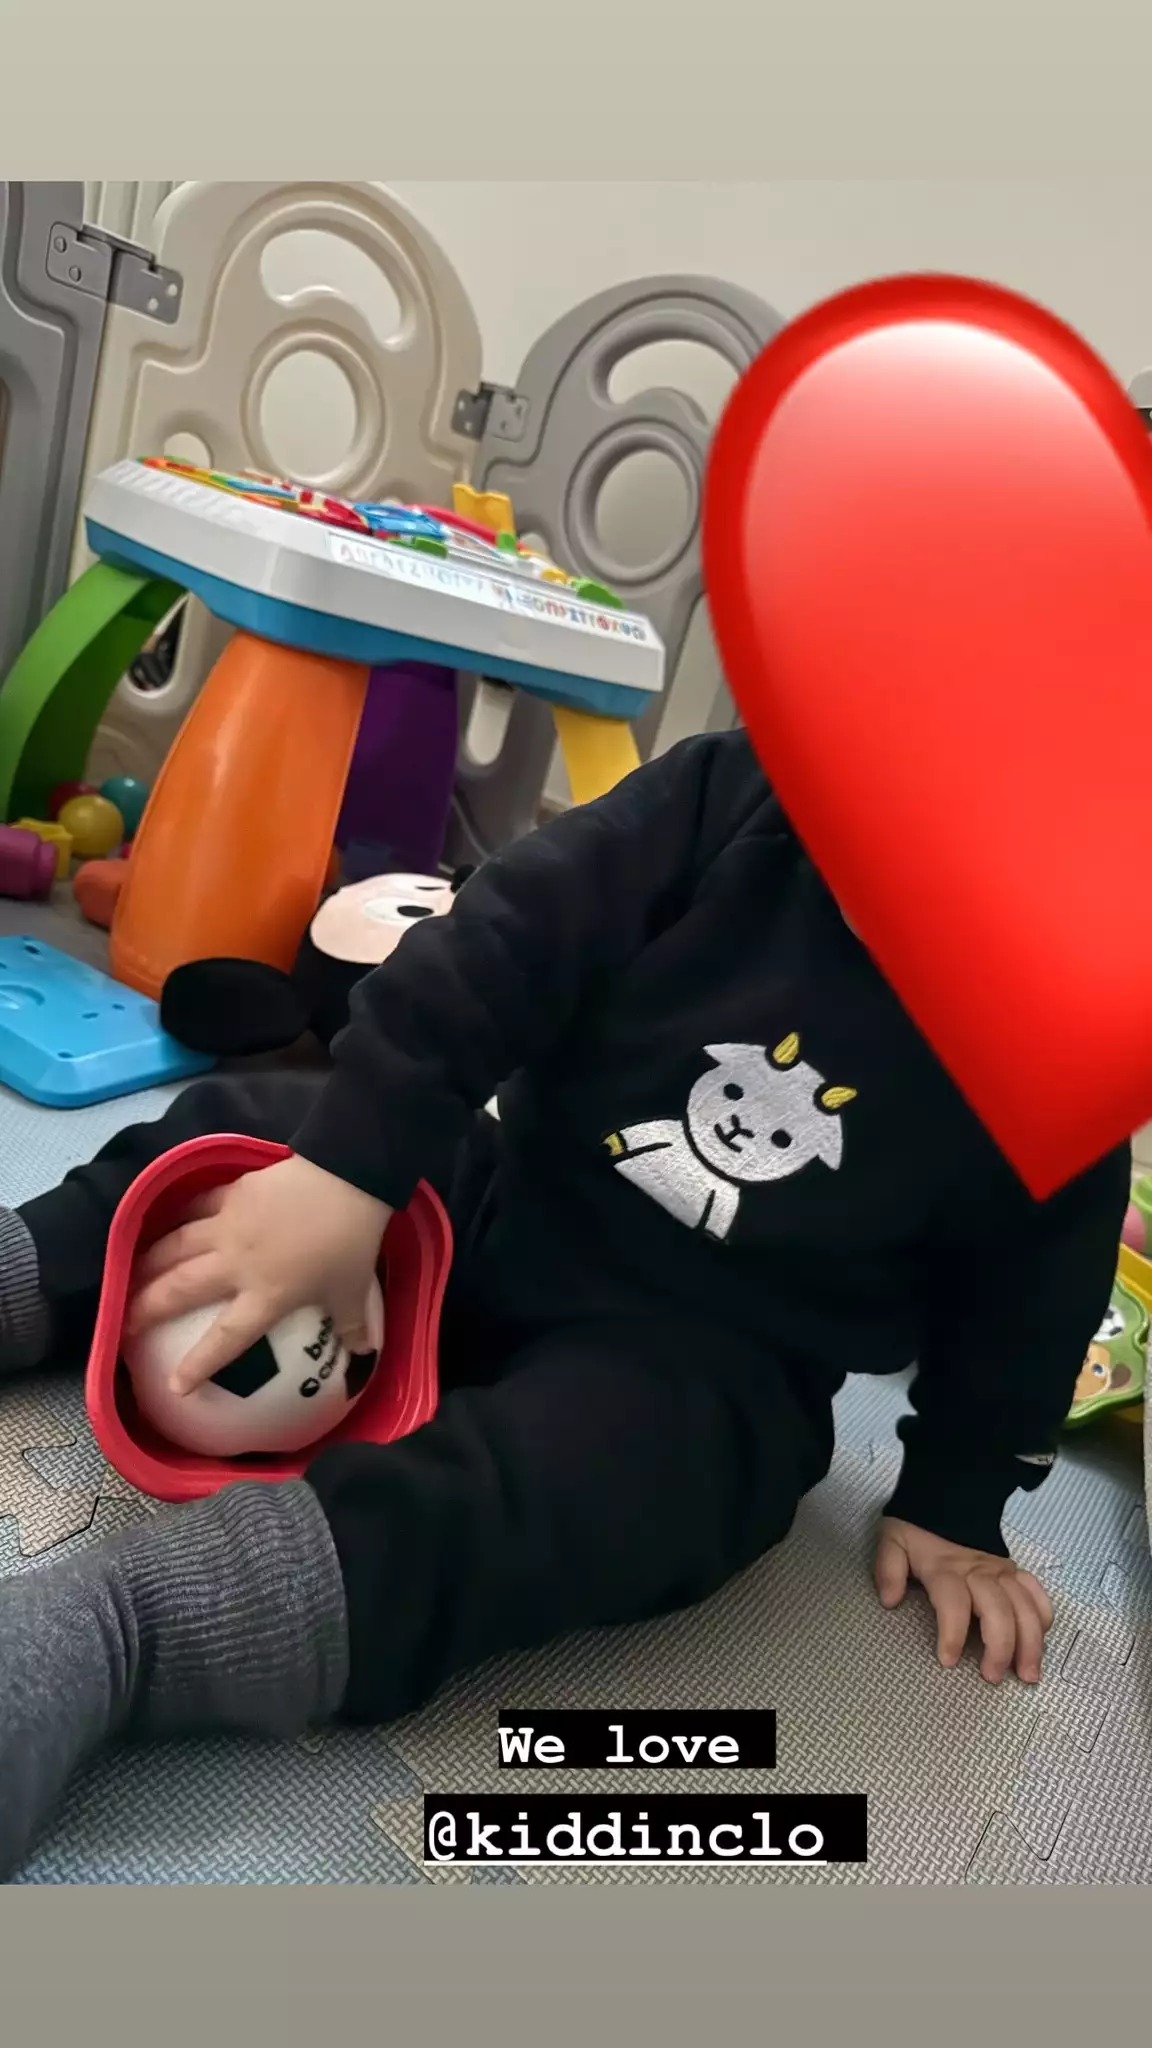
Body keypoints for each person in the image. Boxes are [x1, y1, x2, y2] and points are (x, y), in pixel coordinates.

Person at [0, 731, 1129, 1877]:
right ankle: (22, 1278)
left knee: (636, 1482)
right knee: (265, 1125)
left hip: (711, 1360)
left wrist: (958, 1497)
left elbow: (1035, 1294)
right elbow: (501, 935)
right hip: (507, 1198)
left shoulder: (1059, 1040)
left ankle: (127, 1624)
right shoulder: (736, 792)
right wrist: (348, 1168)